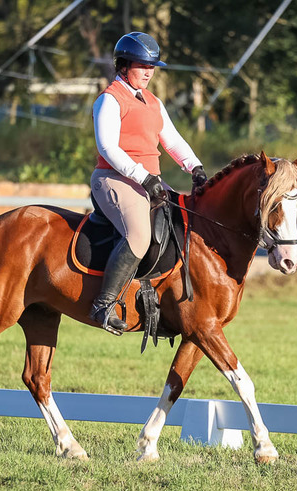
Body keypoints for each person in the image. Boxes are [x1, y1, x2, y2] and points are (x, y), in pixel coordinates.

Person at [89, 31, 208, 335]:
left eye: (152, 67)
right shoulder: (110, 99)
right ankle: (103, 305)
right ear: (124, 65)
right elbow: (108, 148)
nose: (148, 73)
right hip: (114, 179)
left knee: (186, 222)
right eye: (142, 66)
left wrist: (194, 166)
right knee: (140, 237)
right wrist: (143, 176)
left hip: (148, 181)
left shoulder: (153, 102)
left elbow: (171, 139)